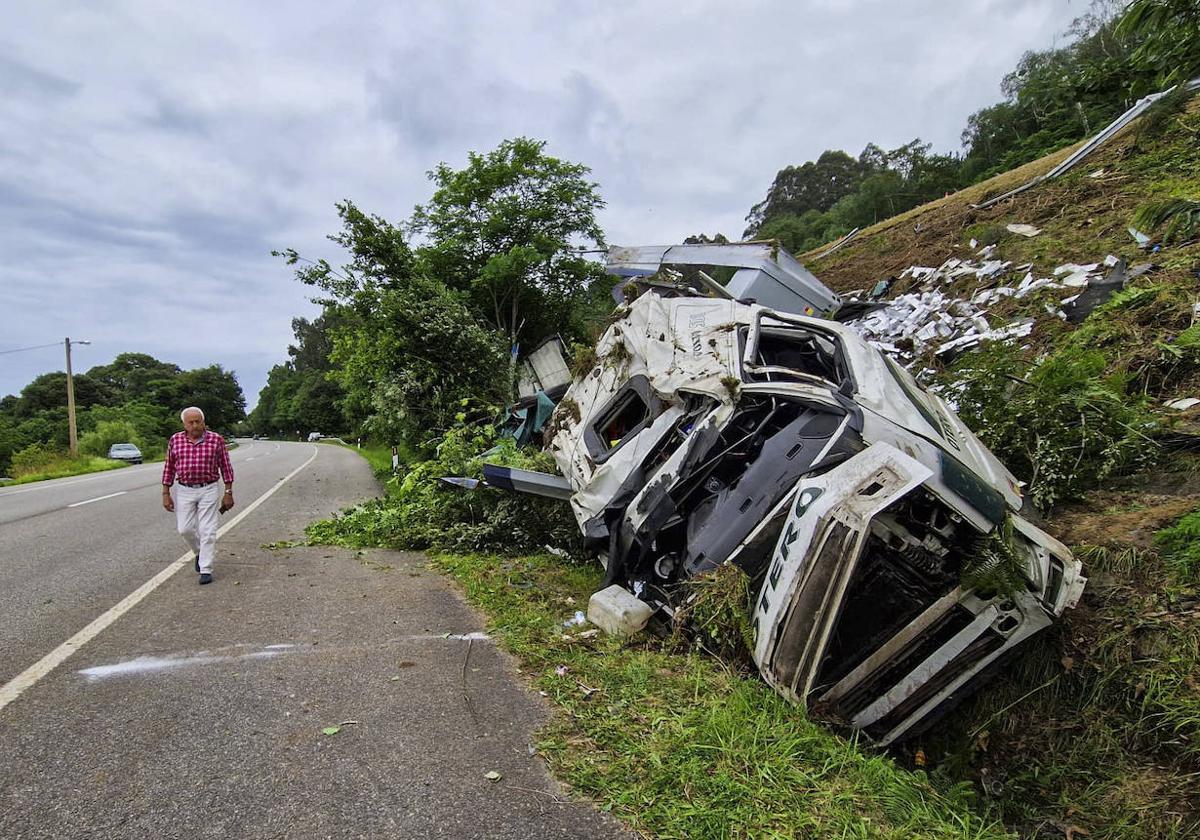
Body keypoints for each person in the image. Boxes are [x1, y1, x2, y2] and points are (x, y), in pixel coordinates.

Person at [162, 406, 235, 584]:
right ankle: (199, 552)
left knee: (207, 530)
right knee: (184, 529)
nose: (195, 425)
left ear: (203, 422)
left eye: (198, 421)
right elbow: (169, 467)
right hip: (185, 489)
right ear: (184, 425)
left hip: (208, 488)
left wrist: (228, 492)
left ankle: (205, 569)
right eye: (191, 422)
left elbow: (225, 466)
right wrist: (166, 492)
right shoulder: (175, 440)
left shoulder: (216, 440)